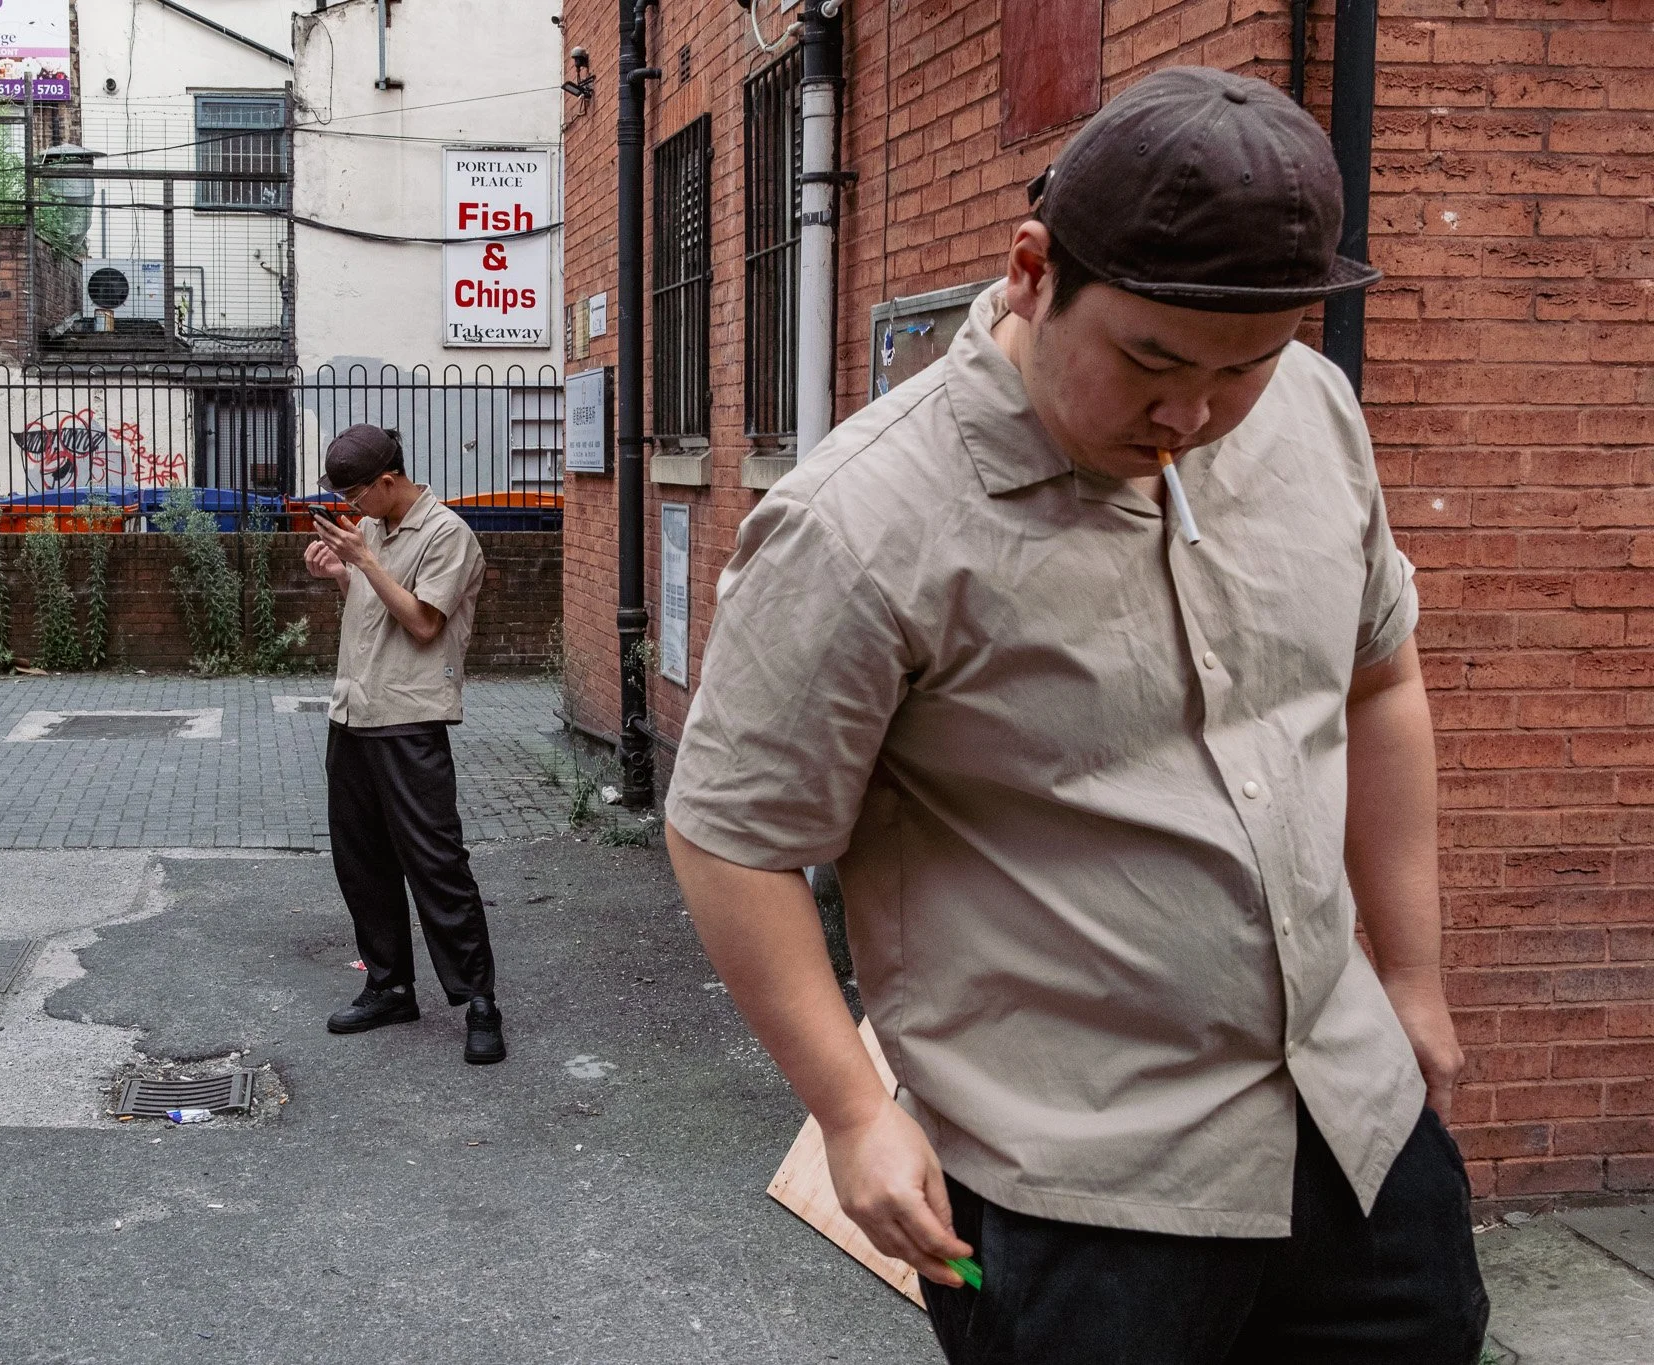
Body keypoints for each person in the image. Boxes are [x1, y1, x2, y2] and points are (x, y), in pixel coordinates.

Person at [664, 67, 1487, 1362]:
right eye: (1152, 358)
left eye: (1246, 367)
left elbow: (1381, 677)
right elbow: (731, 833)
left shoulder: (1315, 417)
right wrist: (851, 1110)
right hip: (1076, 1197)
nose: (1193, 414)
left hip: (1358, 1131)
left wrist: (1416, 976)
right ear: (1036, 269)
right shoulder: (864, 523)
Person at [304, 424, 505, 1065]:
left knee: (437, 864)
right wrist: (343, 574)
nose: (350, 507)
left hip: (410, 720)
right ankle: (389, 985)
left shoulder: (448, 535)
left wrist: (363, 562)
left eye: (356, 493)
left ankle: (479, 1002)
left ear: (389, 480)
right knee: (361, 864)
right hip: (354, 714)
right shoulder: (371, 533)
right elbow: (373, 611)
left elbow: (421, 623)